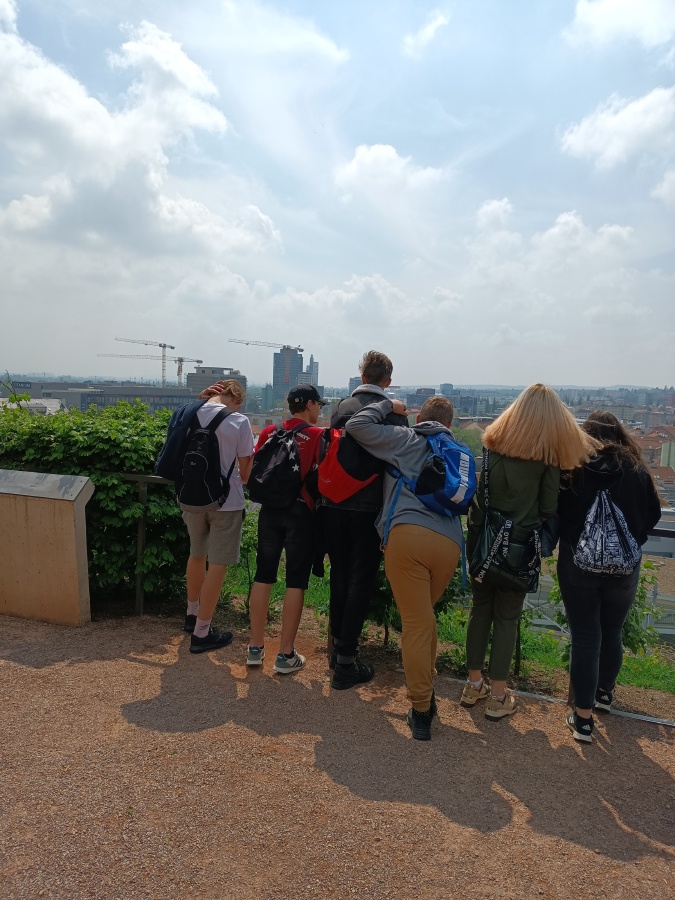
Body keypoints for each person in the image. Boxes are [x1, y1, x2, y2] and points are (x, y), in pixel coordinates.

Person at [463, 384, 597, 720]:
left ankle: (473, 684)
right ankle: (498, 697)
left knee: (479, 610)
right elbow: (548, 508)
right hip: (518, 549)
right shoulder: (546, 460)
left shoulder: (491, 448)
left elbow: (481, 498)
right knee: (507, 618)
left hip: (482, 543)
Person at [345, 395, 462, 741]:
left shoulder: (407, 439)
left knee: (415, 625)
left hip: (407, 537)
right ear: (449, 425)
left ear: (419, 419)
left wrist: (388, 406)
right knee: (425, 620)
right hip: (450, 543)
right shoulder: (457, 452)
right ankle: (427, 689)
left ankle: (421, 709)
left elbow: (356, 426)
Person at [557, 411, 662, 743]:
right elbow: (654, 514)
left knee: (586, 636)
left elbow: (558, 513)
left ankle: (583, 719)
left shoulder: (573, 468)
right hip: (624, 569)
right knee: (612, 631)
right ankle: (604, 694)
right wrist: (632, 541)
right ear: (620, 434)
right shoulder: (636, 470)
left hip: (578, 565)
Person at [322, 351, 408, 690]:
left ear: (361, 378)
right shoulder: (394, 413)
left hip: (333, 503)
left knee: (339, 575)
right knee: (360, 580)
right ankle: (347, 661)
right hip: (370, 506)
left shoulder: (341, 407)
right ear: (388, 381)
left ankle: (336, 650)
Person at [247, 385, 327, 674]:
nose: (320, 410)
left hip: (270, 510)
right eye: (319, 404)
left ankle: (255, 648)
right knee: (296, 581)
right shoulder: (317, 435)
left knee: (263, 575)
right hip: (300, 512)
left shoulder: (271, 431)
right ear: (309, 405)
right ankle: (285, 654)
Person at [182, 380, 254, 653]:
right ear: (237, 400)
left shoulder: (189, 413)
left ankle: (191, 615)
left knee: (196, 554)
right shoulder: (239, 421)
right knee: (218, 564)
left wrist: (200, 400)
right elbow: (245, 473)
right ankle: (202, 632)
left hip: (191, 497)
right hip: (226, 501)